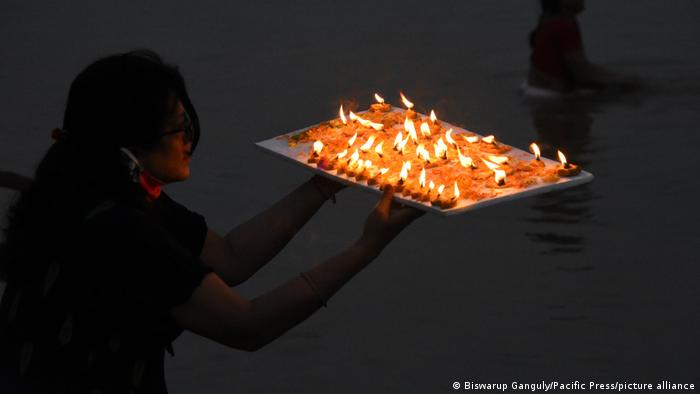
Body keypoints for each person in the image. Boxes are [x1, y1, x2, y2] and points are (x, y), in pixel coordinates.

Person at [0, 50, 423, 393]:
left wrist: (324, 184)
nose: (188, 138)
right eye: (177, 128)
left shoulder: (91, 185)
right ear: (130, 142)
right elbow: (248, 326)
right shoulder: (119, 231)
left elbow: (230, 258)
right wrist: (367, 247)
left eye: (188, 123)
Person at [524, 0, 639, 96]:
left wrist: (618, 77)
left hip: (537, 91)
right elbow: (583, 74)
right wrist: (624, 83)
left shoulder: (552, 20)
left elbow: (582, 68)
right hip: (549, 97)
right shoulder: (563, 26)